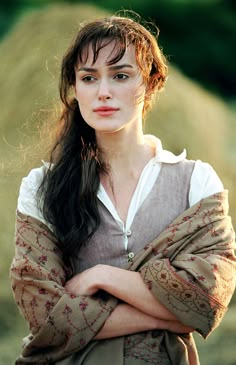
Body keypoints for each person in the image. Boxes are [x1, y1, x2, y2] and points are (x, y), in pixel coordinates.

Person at [10, 11, 236, 365]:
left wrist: (103, 277)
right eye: (89, 78)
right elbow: (43, 310)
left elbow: (206, 297)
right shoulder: (42, 186)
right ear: (75, 88)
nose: (103, 92)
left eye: (120, 75)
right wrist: (170, 314)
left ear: (151, 81)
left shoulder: (196, 181)